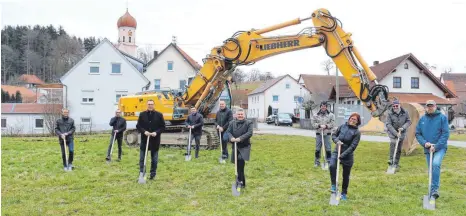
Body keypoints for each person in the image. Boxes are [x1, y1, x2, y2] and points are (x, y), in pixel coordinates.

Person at [415, 100, 449, 200]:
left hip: (440, 147)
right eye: (428, 106)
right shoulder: (422, 119)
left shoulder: (442, 118)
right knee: (431, 169)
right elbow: (418, 133)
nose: (430, 108)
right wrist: (425, 143)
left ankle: (434, 190)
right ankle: (432, 190)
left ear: (435, 106)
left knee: (435, 164)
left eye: (432, 106)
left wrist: (436, 146)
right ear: (426, 107)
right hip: (428, 148)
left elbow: (445, 134)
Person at [329, 113, 361, 201]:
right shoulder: (342, 126)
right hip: (337, 150)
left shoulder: (357, 133)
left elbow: (353, 147)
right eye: (351, 118)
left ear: (357, 122)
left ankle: (343, 193)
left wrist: (342, 155)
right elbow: (334, 135)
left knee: (345, 176)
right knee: (332, 166)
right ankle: (333, 185)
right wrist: (337, 141)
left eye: (355, 119)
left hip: (347, 155)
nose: (352, 120)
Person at [136, 99, 166, 180]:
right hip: (144, 140)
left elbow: (163, 127)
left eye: (151, 104)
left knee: (154, 159)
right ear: (147, 105)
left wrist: (156, 132)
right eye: (149, 104)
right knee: (142, 158)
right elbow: (138, 126)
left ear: (154, 105)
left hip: (155, 141)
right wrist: (144, 131)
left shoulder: (159, 115)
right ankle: (142, 173)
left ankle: (152, 175)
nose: (150, 105)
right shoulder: (142, 114)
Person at [225, 108, 253, 189]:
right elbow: (228, 132)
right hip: (235, 146)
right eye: (239, 114)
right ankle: (241, 182)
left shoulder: (249, 122)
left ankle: (240, 181)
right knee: (237, 165)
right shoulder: (232, 123)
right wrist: (231, 138)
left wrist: (240, 138)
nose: (240, 116)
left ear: (244, 115)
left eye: (241, 114)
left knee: (240, 162)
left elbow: (249, 133)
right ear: (236, 115)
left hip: (244, 146)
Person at [385, 100, 411, 169]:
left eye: (396, 106)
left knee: (399, 148)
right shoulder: (389, 113)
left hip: (401, 132)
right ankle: (391, 160)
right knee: (393, 143)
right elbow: (388, 124)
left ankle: (396, 163)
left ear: (399, 105)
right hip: (392, 132)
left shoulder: (405, 112)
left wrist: (403, 128)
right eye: (394, 106)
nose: (395, 107)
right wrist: (396, 133)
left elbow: (408, 121)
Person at [312, 101, 335, 167]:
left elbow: (332, 124)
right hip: (319, 134)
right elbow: (313, 124)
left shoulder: (331, 115)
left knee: (328, 148)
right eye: (322, 106)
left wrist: (326, 126)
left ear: (326, 107)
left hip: (327, 134)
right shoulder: (316, 115)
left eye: (324, 106)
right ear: (320, 107)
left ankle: (329, 161)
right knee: (317, 149)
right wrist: (319, 125)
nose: (323, 107)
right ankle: (317, 162)